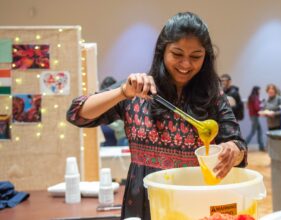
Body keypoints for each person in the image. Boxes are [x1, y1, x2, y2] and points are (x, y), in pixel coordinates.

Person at [67, 12, 247, 220]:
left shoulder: (213, 95)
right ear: (162, 51)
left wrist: (234, 150)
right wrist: (122, 92)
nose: (186, 64)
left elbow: (239, 147)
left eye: (195, 56)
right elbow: (77, 114)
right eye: (177, 54)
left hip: (197, 198)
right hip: (146, 199)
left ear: (205, 57)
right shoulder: (137, 89)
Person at [245, 86, 264, 151]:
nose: (260, 91)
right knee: (252, 132)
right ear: (257, 90)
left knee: (259, 131)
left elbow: (250, 106)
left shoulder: (251, 97)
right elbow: (257, 107)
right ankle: (243, 145)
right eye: (259, 90)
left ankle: (261, 146)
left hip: (252, 116)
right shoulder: (255, 97)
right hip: (255, 116)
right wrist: (262, 107)